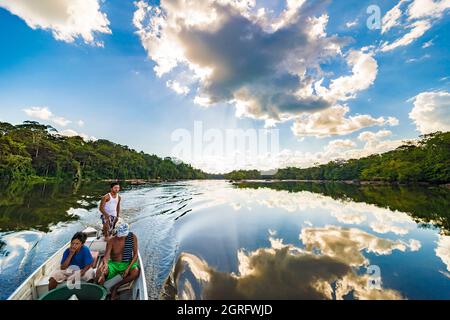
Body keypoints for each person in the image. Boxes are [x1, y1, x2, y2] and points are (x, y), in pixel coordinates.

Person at [96, 223, 140, 300]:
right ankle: (103, 292)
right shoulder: (111, 240)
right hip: (114, 264)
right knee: (100, 271)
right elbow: (106, 256)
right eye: (119, 235)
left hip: (127, 263)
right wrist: (105, 265)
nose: (120, 237)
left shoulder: (132, 237)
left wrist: (128, 268)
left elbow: (135, 254)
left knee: (135, 271)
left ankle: (116, 286)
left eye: (123, 236)